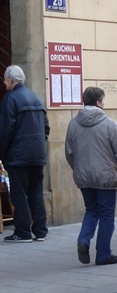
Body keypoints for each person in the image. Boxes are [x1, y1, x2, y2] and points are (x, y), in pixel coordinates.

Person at [65, 87, 117, 265]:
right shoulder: (110, 124)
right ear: (99, 102)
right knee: (107, 215)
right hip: (105, 177)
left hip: (84, 177)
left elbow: (69, 152)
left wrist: (77, 169)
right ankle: (103, 255)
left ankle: (83, 241)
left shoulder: (73, 124)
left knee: (91, 210)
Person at [0, 65, 50, 243]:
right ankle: (40, 231)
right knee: (36, 192)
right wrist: (37, 145)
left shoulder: (10, 99)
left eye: (5, 79)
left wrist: (2, 155)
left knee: (19, 194)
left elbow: (5, 131)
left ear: (11, 80)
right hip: (37, 155)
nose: (4, 82)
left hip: (18, 156)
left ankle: (22, 232)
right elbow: (46, 128)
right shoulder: (35, 97)